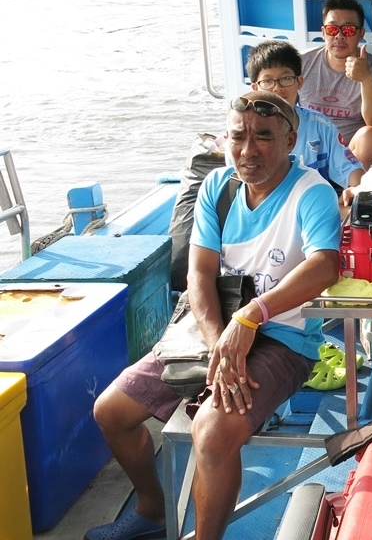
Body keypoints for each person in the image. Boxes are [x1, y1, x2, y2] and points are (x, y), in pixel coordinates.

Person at [85, 91, 342, 540]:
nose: (248, 150)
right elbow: (199, 274)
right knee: (110, 411)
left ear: (291, 139)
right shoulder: (218, 187)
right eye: (238, 136)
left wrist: (252, 316)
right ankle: (152, 507)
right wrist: (218, 341)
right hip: (215, 329)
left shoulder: (312, 192)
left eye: (264, 137)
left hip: (284, 338)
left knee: (212, 431)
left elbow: (325, 265)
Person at [245, 39, 364, 206]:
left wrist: (358, 188)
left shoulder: (320, 125)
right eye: (267, 81)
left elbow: (349, 168)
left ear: (299, 82)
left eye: (286, 79)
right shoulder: (244, 135)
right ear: (255, 88)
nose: (278, 88)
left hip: (315, 210)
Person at [296, 0, 372, 170]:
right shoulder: (301, 63)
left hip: (350, 154)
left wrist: (365, 79)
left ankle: (350, 193)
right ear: (323, 32)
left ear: (361, 34)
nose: (339, 36)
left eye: (348, 30)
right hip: (305, 149)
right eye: (333, 29)